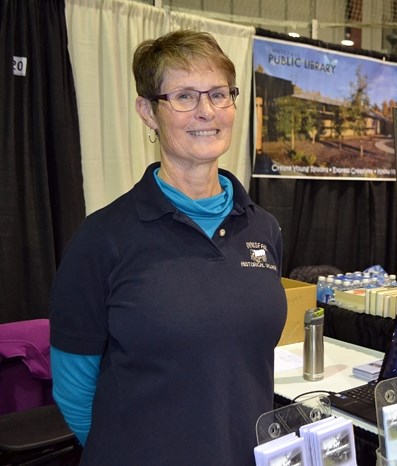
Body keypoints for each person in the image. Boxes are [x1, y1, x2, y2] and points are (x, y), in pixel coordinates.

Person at [49, 30, 286, 465]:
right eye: (184, 96)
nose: (206, 111)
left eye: (218, 94)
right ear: (148, 112)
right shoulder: (103, 239)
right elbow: (73, 388)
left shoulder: (263, 230)